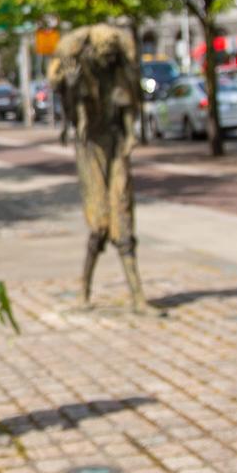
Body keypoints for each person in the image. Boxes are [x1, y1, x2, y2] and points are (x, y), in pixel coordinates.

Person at [49, 23, 156, 313]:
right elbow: (71, 110)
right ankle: (84, 289)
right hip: (90, 148)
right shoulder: (80, 73)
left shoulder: (119, 74)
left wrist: (130, 138)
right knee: (98, 223)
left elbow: (127, 108)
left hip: (116, 146)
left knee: (122, 216)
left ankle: (138, 296)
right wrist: (70, 89)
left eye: (112, 52)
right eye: (103, 52)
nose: (108, 57)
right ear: (93, 51)